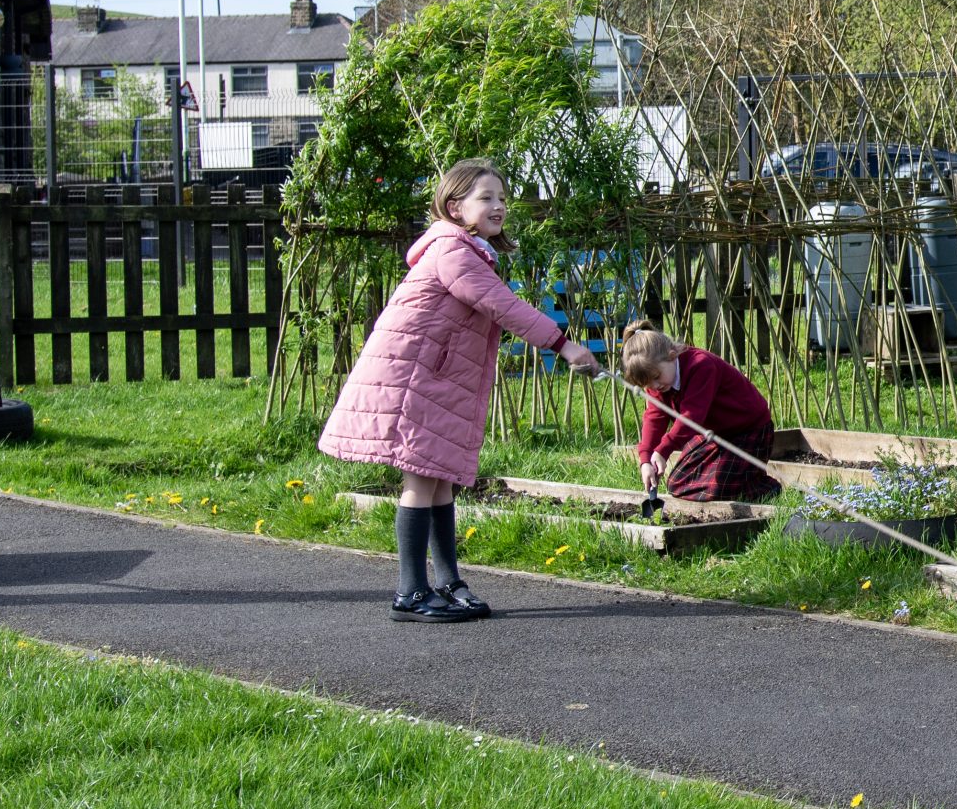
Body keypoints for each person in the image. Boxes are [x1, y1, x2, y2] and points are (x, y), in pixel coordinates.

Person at [320, 158, 602, 623]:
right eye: (485, 197)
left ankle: (448, 583)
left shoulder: (467, 250)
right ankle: (410, 592)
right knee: (420, 482)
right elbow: (501, 305)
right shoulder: (452, 251)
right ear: (455, 207)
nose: (498, 206)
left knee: (439, 481)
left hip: (436, 380)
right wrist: (563, 344)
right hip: (416, 382)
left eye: (502, 198)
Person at [620, 321, 781, 504]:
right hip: (713, 434)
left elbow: (691, 418)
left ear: (672, 355)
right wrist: (646, 459)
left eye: (656, 377)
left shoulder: (700, 366)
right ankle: (741, 478)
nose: (655, 386)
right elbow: (654, 418)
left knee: (719, 489)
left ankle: (765, 487)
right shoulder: (659, 382)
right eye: (648, 384)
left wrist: (663, 450)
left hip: (749, 430)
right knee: (676, 484)